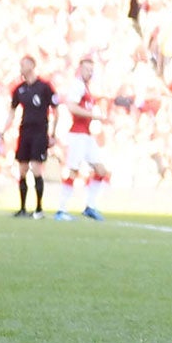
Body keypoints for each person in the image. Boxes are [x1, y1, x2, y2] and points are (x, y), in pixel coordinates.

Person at [55, 56, 110, 222]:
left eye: (92, 70)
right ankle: (61, 209)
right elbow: (71, 106)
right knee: (73, 170)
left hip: (86, 135)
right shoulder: (77, 86)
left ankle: (90, 207)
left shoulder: (86, 87)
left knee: (101, 171)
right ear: (80, 69)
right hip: (77, 134)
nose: (89, 73)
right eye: (87, 69)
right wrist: (93, 115)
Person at [2, 55, 56, 219]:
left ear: (32, 65)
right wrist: (4, 129)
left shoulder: (45, 87)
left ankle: (39, 209)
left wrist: (52, 134)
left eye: (23, 64)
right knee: (23, 169)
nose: (21, 67)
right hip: (24, 132)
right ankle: (23, 208)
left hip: (40, 132)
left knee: (36, 168)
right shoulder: (19, 89)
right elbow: (12, 111)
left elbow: (55, 110)